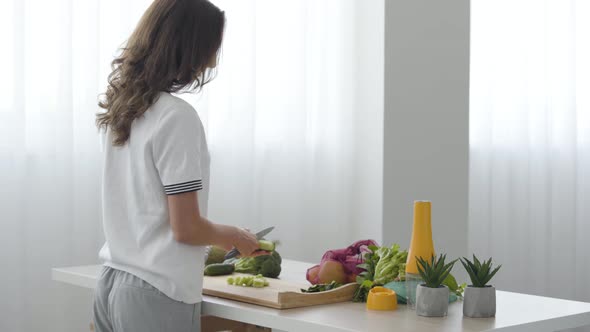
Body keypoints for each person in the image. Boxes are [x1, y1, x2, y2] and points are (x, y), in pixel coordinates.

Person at [93, 1, 259, 331]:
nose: (214, 59)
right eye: (213, 45)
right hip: (155, 291)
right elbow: (186, 228)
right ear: (191, 45)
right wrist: (236, 237)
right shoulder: (176, 116)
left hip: (111, 284)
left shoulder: (123, 110)